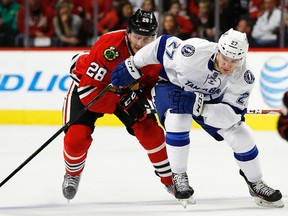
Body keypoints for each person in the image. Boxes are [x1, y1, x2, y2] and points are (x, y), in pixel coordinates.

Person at [110, 28, 284, 208]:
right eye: (225, 58)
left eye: (235, 61)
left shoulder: (244, 77)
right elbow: (161, 46)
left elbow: (230, 116)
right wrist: (133, 64)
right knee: (178, 118)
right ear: (218, 50)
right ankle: (178, 176)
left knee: (242, 136)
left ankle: (255, 183)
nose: (228, 65)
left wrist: (201, 107)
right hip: (173, 86)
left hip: (209, 101)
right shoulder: (193, 51)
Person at [61, 9, 174, 201]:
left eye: (147, 39)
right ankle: (72, 174)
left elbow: (152, 89)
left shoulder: (158, 56)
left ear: (154, 37)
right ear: (128, 32)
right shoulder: (109, 45)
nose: (141, 43)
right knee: (76, 139)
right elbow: (89, 94)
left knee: (151, 132)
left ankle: (170, 180)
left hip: (125, 92)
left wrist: (155, 106)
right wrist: (125, 100)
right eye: (137, 37)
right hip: (89, 86)